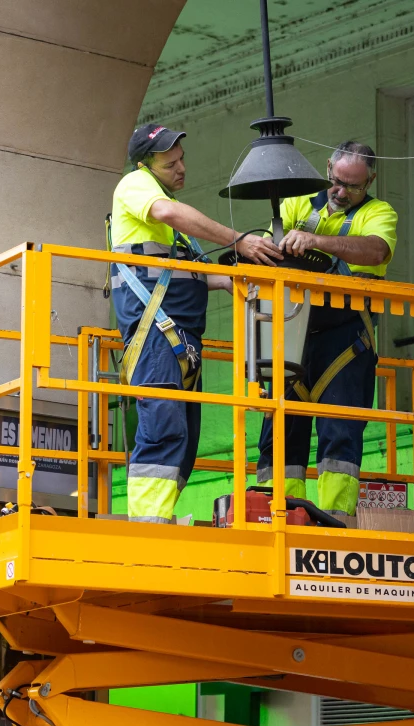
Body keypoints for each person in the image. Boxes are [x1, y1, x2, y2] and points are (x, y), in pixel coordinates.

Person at [111, 123, 282, 523]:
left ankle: (160, 517)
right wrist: (239, 240)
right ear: (145, 166)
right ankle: (150, 527)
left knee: (183, 435)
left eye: (182, 159)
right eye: (170, 164)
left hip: (180, 339)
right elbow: (168, 209)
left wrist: (241, 281)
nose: (181, 168)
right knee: (163, 427)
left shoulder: (176, 237)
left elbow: (195, 276)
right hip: (157, 334)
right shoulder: (134, 185)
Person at [256, 141, 398, 515]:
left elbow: (375, 251)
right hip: (293, 334)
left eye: (354, 186)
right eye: (336, 181)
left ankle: (336, 520)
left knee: (340, 431)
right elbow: (272, 245)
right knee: (281, 433)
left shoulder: (379, 213)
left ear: (370, 182)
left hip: (346, 340)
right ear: (328, 168)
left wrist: (316, 241)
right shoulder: (297, 202)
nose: (341, 192)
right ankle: (279, 514)